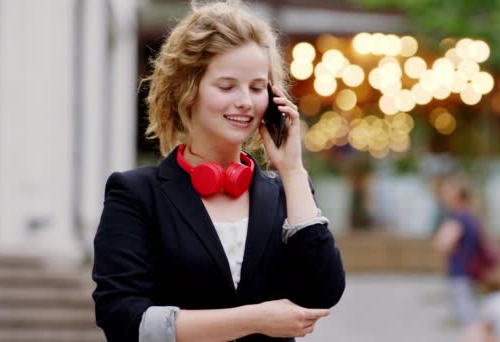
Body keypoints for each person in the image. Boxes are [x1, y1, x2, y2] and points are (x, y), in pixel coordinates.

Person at [91, 1, 346, 341]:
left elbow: (322, 294)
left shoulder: (287, 192)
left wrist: (293, 169)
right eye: (227, 86)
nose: (245, 101)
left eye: (257, 88)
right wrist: (254, 319)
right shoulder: (136, 194)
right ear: (187, 90)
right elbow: (121, 319)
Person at [432, 174, 490, 342]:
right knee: (473, 318)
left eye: (448, 190)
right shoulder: (471, 217)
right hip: (471, 275)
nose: (444, 194)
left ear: (457, 195)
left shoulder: (458, 218)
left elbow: (442, 244)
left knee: (469, 322)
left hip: (460, 275)